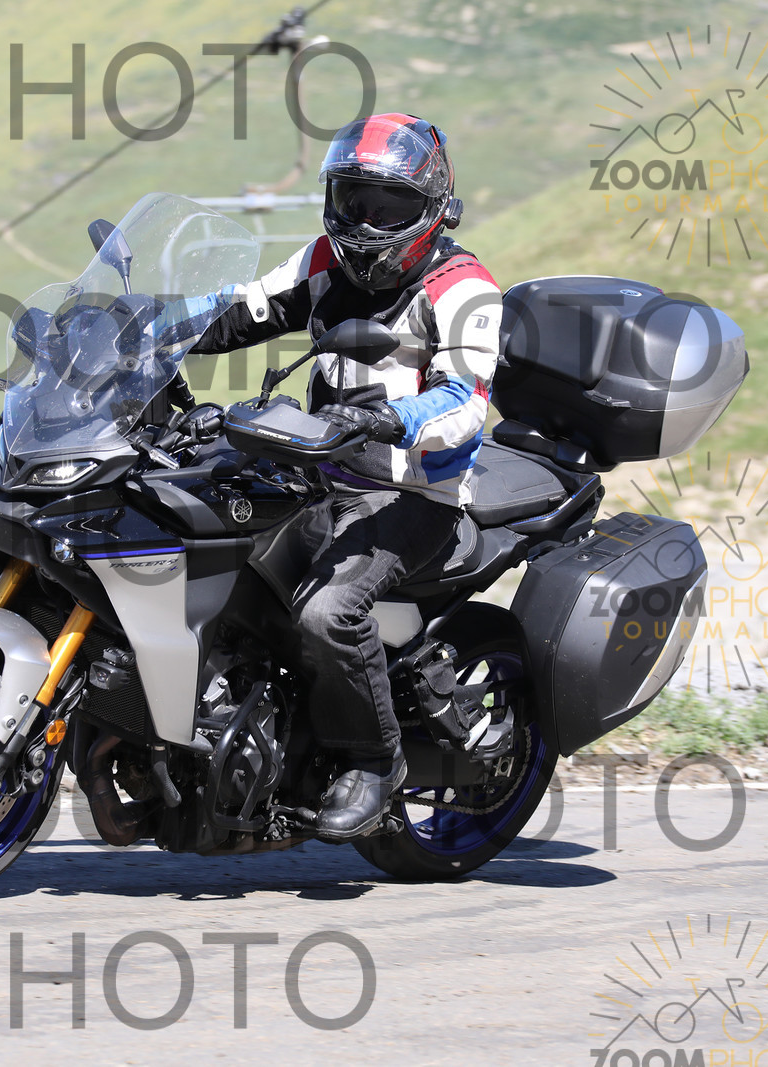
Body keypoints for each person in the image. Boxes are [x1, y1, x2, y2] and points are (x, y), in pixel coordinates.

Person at [191, 113, 503, 840]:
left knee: (327, 612)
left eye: (388, 208)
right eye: (354, 201)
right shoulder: (324, 259)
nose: (366, 224)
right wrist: (144, 326)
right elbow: (243, 311)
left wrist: (389, 419)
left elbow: (465, 403)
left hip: (411, 492)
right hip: (318, 473)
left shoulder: (464, 288)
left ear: (432, 209)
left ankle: (374, 762)